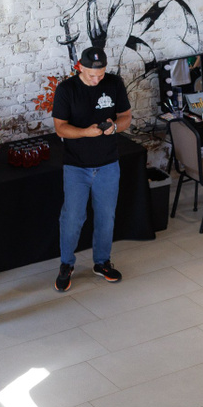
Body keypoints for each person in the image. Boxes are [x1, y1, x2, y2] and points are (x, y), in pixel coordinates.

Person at [51, 47, 131, 292]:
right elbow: (60, 128)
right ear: (80, 67)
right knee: (72, 218)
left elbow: (126, 116)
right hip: (76, 166)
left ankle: (102, 262)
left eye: (101, 75)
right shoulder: (66, 89)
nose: (97, 80)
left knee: (106, 216)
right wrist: (86, 132)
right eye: (92, 75)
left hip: (108, 164)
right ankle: (66, 264)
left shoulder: (114, 83)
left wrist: (114, 127)